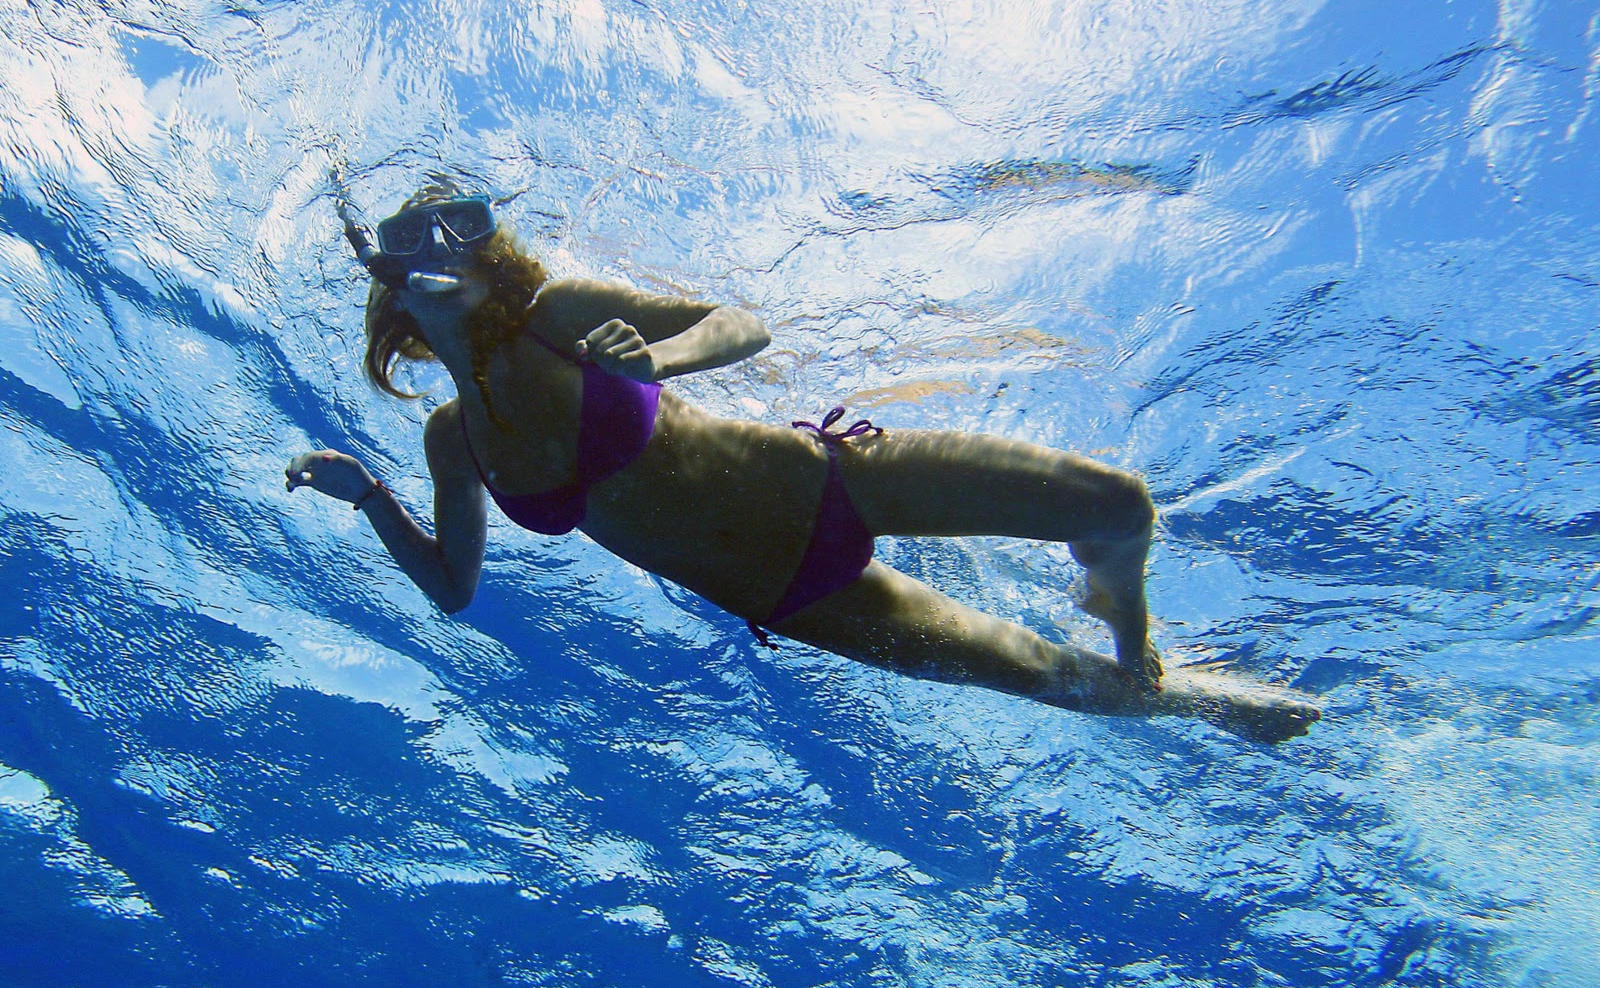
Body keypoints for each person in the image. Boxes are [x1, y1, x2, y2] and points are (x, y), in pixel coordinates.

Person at [286, 186, 1320, 743]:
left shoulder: (559, 318)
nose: (433, 258)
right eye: (406, 252)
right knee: (1061, 686)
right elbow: (453, 590)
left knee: (1116, 503)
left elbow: (739, 322)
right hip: (799, 595)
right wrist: (372, 497)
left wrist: (665, 357)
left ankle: (1130, 629)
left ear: (483, 255)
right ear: (394, 298)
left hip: (829, 476)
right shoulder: (451, 443)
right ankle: (1185, 699)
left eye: (448, 235)